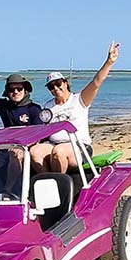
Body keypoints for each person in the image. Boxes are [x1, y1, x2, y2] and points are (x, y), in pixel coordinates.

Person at [30, 41, 118, 173]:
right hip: (54, 144)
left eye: (58, 83)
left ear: (65, 83)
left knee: (58, 152)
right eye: (51, 86)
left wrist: (109, 62)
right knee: (35, 152)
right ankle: (46, 183)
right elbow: (45, 130)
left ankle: (58, 187)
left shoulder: (79, 99)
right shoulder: (49, 105)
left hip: (79, 146)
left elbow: (96, 83)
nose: (55, 88)